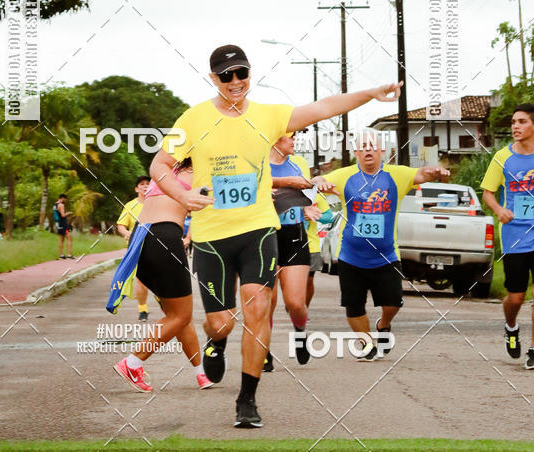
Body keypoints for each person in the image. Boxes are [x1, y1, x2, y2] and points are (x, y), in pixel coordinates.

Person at [150, 43, 401, 428]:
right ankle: (216, 342)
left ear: (249, 74)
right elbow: (160, 165)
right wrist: (183, 195)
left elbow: (323, 108)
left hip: (258, 229)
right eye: (226, 76)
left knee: (258, 308)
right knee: (221, 321)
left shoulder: (268, 116)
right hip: (212, 236)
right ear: (214, 79)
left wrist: (370, 94)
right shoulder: (194, 119)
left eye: (241, 73)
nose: (236, 82)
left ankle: (247, 399)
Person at [319, 133, 449, 360]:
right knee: (353, 306)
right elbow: (315, 183)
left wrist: (435, 172)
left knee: (393, 302)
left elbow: (421, 174)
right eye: (362, 147)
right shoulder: (344, 175)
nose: (368, 150)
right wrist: (320, 181)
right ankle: (367, 343)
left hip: (386, 255)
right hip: (351, 255)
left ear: (382, 152)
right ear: (356, 153)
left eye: (372, 146)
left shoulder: (397, 174)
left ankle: (383, 324)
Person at [109, 159, 213, 392]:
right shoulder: (203, 171)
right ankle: (132, 363)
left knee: (177, 314)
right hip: (165, 236)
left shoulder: (169, 171)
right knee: (181, 315)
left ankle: (201, 373)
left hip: (140, 238)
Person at [481, 104, 534, 369]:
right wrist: (500, 209)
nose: (515, 126)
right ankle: (511, 326)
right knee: (517, 297)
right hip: (515, 235)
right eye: (514, 121)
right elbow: (488, 193)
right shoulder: (502, 157)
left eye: (522, 121)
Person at [264, 133, 322, 372]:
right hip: (265, 234)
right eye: (290, 136)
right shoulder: (259, 163)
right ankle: (263, 350)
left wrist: (309, 205)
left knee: (295, 303)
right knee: (267, 301)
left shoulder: (298, 164)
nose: (294, 140)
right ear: (275, 138)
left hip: (294, 235)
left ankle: (300, 332)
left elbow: (307, 193)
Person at [116, 175, 151, 320]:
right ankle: (142, 309)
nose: (145, 186)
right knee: (142, 281)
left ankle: (161, 299)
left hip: (157, 246)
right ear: (137, 188)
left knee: (161, 278)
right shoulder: (130, 206)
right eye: (142, 184)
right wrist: (127, 233)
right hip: (137, 247)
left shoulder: (157, 204)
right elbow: (121, 226)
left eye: (148, 183)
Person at [53, 194, 73, 259]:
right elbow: (63, 215)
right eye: (65, 199)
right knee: (69, 238)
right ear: (63, 198)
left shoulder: (55, 205)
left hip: (59, 224)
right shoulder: (61, 205)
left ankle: (61, 255)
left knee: (61, 239)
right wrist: (69, 213)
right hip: (63, 224)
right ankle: (69, 255)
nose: (66, 200)